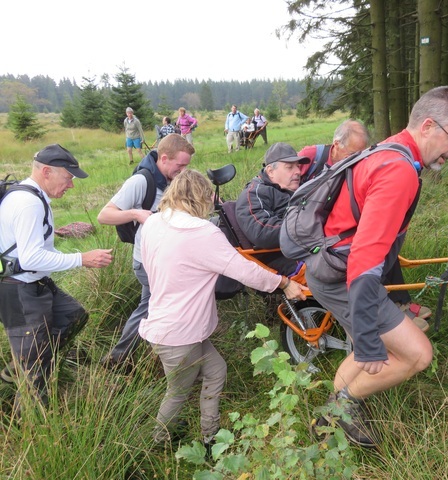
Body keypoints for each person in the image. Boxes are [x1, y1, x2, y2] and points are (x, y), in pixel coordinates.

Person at [306, 87, 448, 447]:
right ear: (428, 126)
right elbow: (365, 259)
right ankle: (339, 409)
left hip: (326, 266)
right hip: (342, 276)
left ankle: (332, 414)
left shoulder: (388, 149)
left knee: (380, 344)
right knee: (416, 354)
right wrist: (366, 338)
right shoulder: (398, 171)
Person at [139, 169, 306, 448]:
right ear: (201, 197)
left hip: (166, 324)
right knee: (177, 393)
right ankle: (159, 442)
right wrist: (284, 282)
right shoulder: (202, 232)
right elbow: (244, 271)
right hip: (180, 333)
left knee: (216, 370)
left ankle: (210, 436)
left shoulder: (154, 223)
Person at [0, 144, 113, 407]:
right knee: (35, 376)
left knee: (73, 316)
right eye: (68, 178)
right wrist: (82, 259)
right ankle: (29, 431)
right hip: (18, 291)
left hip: (36, 283)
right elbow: (30, 258)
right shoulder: (28, 202)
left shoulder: (34, 197)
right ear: (47, 171)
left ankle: (22, 364)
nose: (71, 185)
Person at [299, 119, 432, 332]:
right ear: (336, 145)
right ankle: (389, 309)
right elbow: (289, 190)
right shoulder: (311, 157)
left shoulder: (355, 164)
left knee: (382, 243)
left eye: (361, 153)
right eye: (352, 154)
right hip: (314, 229)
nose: (357, 159)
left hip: (339, 223)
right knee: (365, 249)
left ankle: (398, 301)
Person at [97, 134, 195, 370]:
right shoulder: (142, 181)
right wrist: (135, 214)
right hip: (148, 262)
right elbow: (104, 215)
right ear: (163, 158)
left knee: (149, 306)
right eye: (180, 165)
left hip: (164, 259)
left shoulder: (172, 177)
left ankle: (121, 357)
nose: (183, 171)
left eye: (186, 166)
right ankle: (163, 358)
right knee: (161, 306)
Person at [235, 142, 310, 275]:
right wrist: (311, 225)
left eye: (298, 166)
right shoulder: (254, 193)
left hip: (306, 248)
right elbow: (262, 232)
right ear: (270, 171)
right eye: (289, 167)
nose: (298, 171)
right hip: (279, 257)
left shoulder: (297, 187)